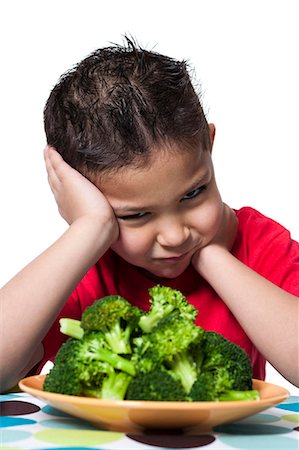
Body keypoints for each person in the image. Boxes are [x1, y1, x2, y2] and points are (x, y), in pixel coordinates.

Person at [1, 38, 298, 393]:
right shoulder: (86, 264)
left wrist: (212, 257)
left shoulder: (259, 243)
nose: (174, 235)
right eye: (136, 215)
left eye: (193, 193)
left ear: (209, 144)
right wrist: (89, 229)